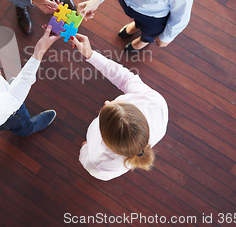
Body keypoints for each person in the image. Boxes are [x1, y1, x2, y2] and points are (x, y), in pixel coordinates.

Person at [71, 33, 168, 180]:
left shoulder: (97, 164)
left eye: (104, 111)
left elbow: (86, 160)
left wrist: (86, 147)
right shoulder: (155, 103)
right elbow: (125, 78)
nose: (107, 102)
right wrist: (90, 55)